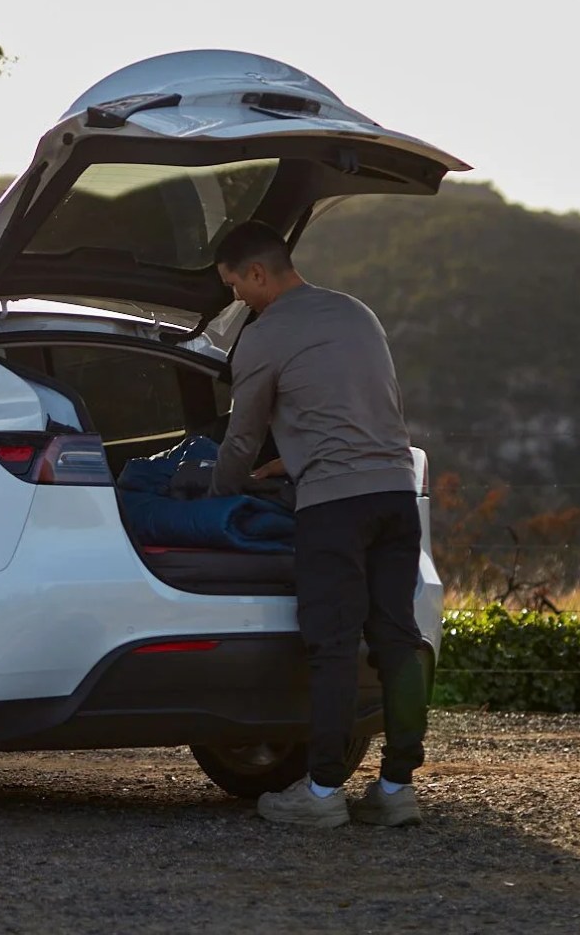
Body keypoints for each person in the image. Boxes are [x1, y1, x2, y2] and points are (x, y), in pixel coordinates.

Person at [209, 219, 427, 830]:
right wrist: (298, 455)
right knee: (398, 640)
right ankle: (396, 788)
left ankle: (324, 792)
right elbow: (362, 408)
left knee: (331, 646)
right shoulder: (357, 313)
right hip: (395, 493)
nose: (235, 298)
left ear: (257, 273)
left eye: (233, 285)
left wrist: (214, 497)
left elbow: (241, 439)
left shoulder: (264, 335)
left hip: (335, 507)